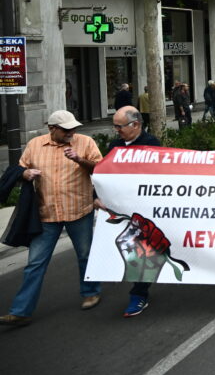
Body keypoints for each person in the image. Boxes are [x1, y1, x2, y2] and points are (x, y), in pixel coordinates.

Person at [0, 111, 103, 326]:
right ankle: (21, 310)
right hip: (46, 214)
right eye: (66, 130)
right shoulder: (35, 145)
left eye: (73, 128)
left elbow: (100, 169)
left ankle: (91, 292)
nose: (71, 133)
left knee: (85, 255)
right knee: (35, 263)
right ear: (52, 129)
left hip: (78, 211)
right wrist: (25, 174)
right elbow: (21, 168)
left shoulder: (85, 142)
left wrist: (80, 160)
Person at [103, 106, 161, 317]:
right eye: (115, 126)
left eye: (120, 126)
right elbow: (106, 174)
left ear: (135, 125)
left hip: (144, 208)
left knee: (142, 250)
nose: (117, 130)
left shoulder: (152, 145)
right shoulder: (114, 146)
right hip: (119, 208)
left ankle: (139, 294)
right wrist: (97, 197)